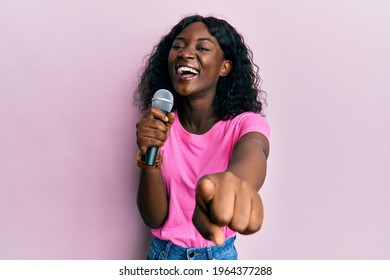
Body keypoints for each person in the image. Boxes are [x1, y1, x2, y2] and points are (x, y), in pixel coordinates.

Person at [133, 14, 270, 260]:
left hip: (218, 257)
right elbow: (154, 217)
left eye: (202, 47)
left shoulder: (245, 123)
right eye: (178, 46)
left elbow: (254, 149)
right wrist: (147, 154)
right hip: (164, 256)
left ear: (224, 67)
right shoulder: (160, 125)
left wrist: (234, 183)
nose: (186, 53)